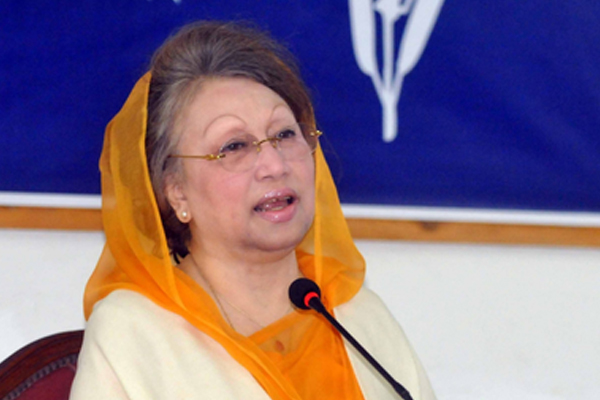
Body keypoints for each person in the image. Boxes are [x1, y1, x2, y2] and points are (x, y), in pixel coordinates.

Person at [70, 21, 436, 400]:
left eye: (284, 134)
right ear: (176, 193)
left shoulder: (356, 313)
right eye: (234, 146)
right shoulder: (134, 333)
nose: (275, 165)